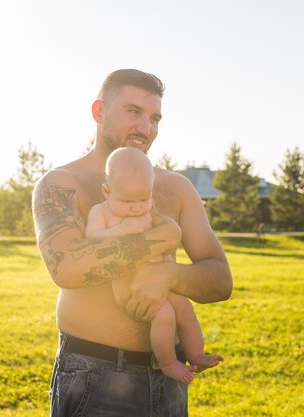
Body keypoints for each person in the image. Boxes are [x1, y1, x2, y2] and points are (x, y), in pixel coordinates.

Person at [32, 69, 232, 417]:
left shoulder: (177, 188)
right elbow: (66, 268)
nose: (146, 127)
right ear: (99, 112)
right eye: (133, 112)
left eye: (154, 117)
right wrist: (160, 238)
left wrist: (168, 276)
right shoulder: (62, 184)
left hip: (170, 377)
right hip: (94, 377)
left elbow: (220, 280)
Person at [85, 146, 223, 385]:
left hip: (162, 279)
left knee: (184, 310)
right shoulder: (102, 213)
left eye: (143, 199)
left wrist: (166, 228)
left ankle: (196, 355)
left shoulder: (148, 210)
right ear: (106, 191)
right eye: (127, 200)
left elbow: (166, 228)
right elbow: (92, 237)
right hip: (130, 284)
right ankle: (168, 363)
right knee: (165, 315)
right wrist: (120, 230)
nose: (136, 207)